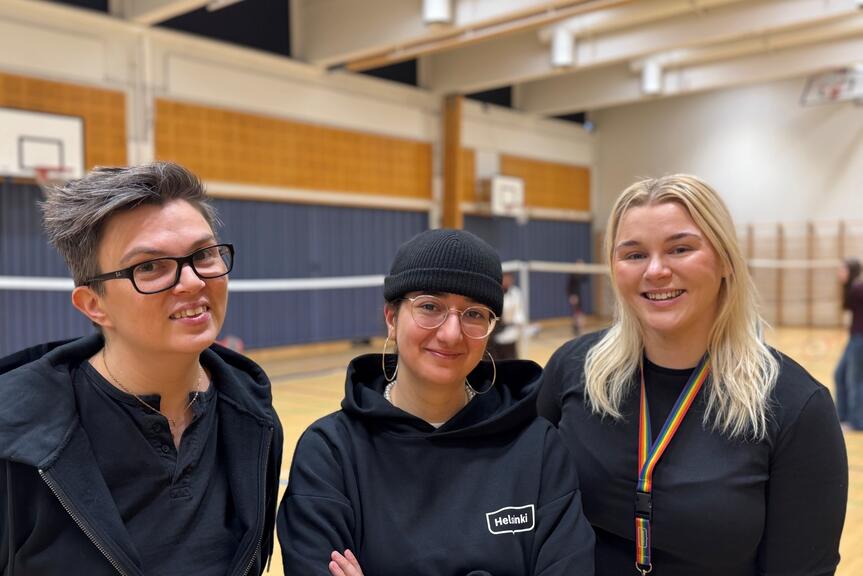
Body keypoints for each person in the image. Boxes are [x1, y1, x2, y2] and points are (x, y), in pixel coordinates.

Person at [538, 174, 848, 576]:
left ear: (723, 260)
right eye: (633, 255)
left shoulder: (796, 407)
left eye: (680, 248)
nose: (655, 270)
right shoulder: (572, 369)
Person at [0, 163, 283, 574]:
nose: (191, 282)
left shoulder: (254, 418)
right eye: (149, 267)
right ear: (93, 305)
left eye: (203, 254)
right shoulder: (14, 436)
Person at [278, 229, 594, 576]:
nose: (451, 333)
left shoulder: (539, 449)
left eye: (474, 313)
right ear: (391, 318)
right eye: (430, 306)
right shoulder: (330, 455)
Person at [835, 257, 863, 430]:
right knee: (840, 375)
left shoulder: (858, 289)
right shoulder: (852, 289)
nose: (839, 273)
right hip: (855, 338)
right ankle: (843, 417)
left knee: (856, 380)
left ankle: (857, 421)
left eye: (842, 269)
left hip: (860, 340)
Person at [487, 271, 526, 360]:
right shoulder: (493, 292)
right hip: (494, 332)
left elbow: (519, 311)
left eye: (509, 278)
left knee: (511, 358)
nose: (507, 280)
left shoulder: (516, 292)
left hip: (510, 332)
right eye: (505, 277)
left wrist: (519, 321)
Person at [567, 261, 586, 336]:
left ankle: (577, 329)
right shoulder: (573, 275)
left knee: (578, 313)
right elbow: (568, 287)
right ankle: (577, 329)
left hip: (578, 295)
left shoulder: (579, 275)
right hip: (574, 296)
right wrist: (572, 296)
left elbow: (585, 279)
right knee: (577, 313)